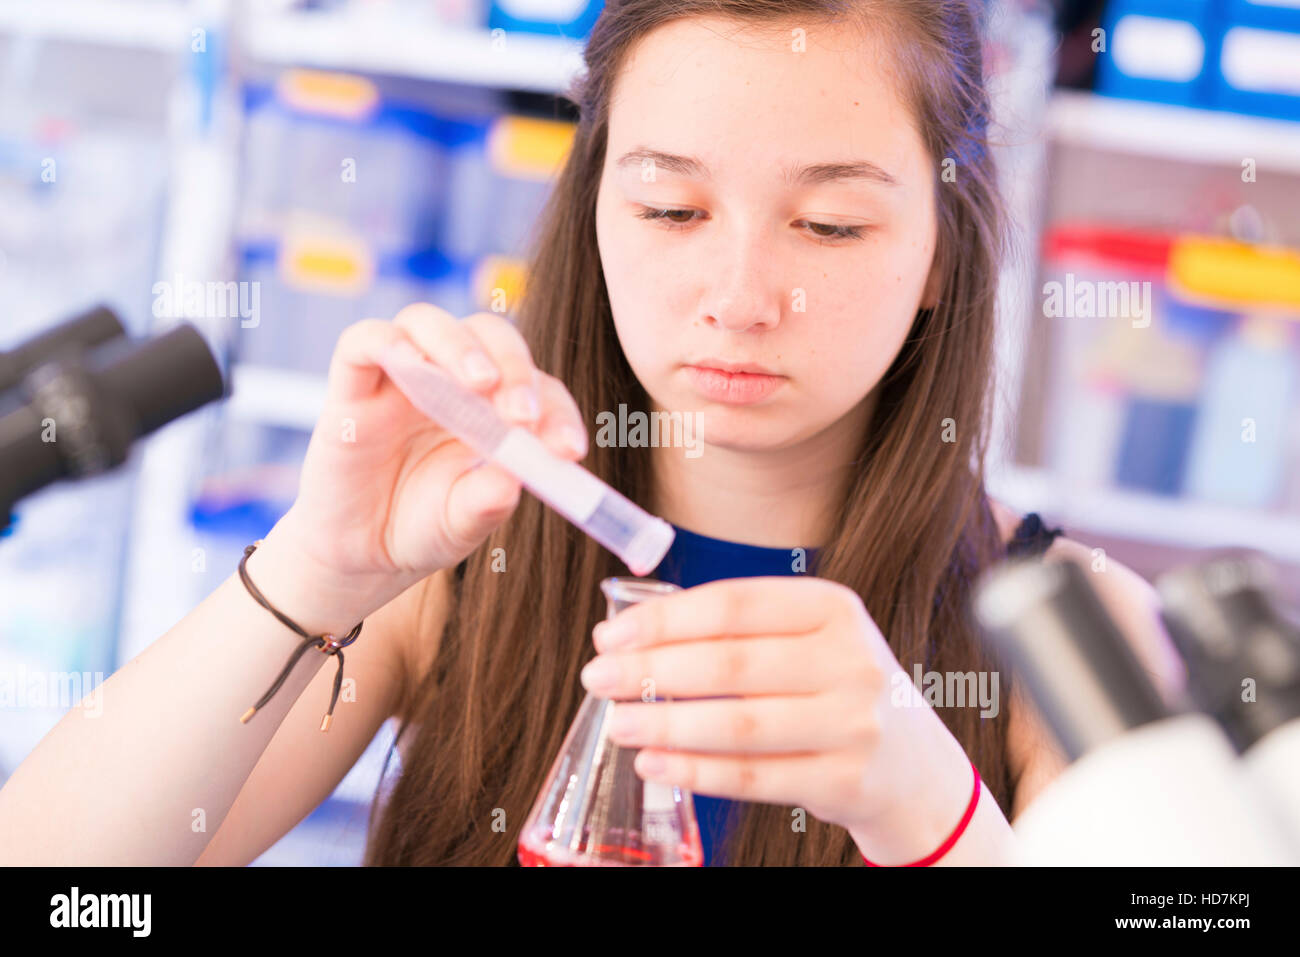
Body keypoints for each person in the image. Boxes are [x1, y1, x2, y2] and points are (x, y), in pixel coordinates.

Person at [0, 0, 1184, 867]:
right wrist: (318, 565)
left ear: (939, 249)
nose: (738, 292)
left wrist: (942, 822)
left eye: (829, 226)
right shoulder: (461, 566)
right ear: (596, 206)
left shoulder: (1073, 632)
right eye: (672, 207)